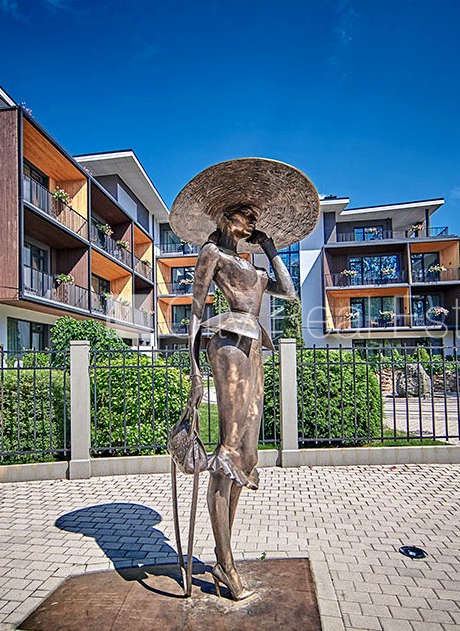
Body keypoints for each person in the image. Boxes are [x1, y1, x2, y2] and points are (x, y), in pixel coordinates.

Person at [183, 203, 295, 600]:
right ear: (228, 218)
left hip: (253, 345)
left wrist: (270, 248)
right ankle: (225, 560)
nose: (253, 222)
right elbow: (196, 309)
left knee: (248, 455)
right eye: (247, 215)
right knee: (229, 450)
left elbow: (289, 291)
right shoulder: (213, 253)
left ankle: (223, 555)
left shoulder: (254, 266)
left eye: (255, 218)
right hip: (228, 343)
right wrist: (194, 369)